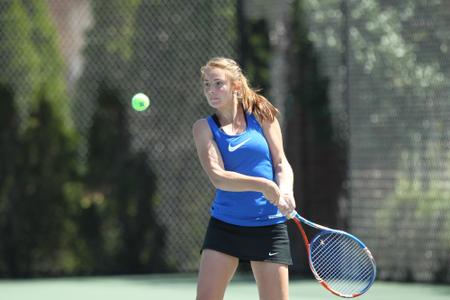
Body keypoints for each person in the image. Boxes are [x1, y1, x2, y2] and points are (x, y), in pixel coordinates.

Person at [192, 57, 296, 300]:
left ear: (236, 86)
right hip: (226, 226)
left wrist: (286, 191)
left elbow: (281, 163)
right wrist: (264, 185)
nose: (211, 90)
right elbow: (219, 177)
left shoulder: (262, 114)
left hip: (269, 227)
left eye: (218, 83)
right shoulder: (203, 128)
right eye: (207, 84)